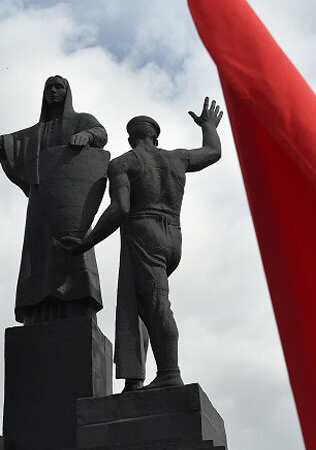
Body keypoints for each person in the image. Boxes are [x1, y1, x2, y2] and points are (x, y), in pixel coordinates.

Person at [60, 98, 223, 391]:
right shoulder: (178, 159)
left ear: (129, 138)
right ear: (155, 137)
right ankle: (134, 379)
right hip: (173, 237)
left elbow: (120, 208)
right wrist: (208, 126)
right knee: (142, 304)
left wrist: (85, 243)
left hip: (144, 233)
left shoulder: (123, 163)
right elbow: (213, 151)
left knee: (157, 305)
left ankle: (170, 373)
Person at [0, 75, 108, 324]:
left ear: (67, 92)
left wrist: (87, 136)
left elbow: (101, 133)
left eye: (59, 87)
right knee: (37, 255)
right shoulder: (33, 134)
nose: (53, 91)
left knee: (73, 250)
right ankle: (37, 311)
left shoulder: (82, 120)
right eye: (49, 88)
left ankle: (78, 307)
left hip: (71, 202)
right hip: (40, 200)